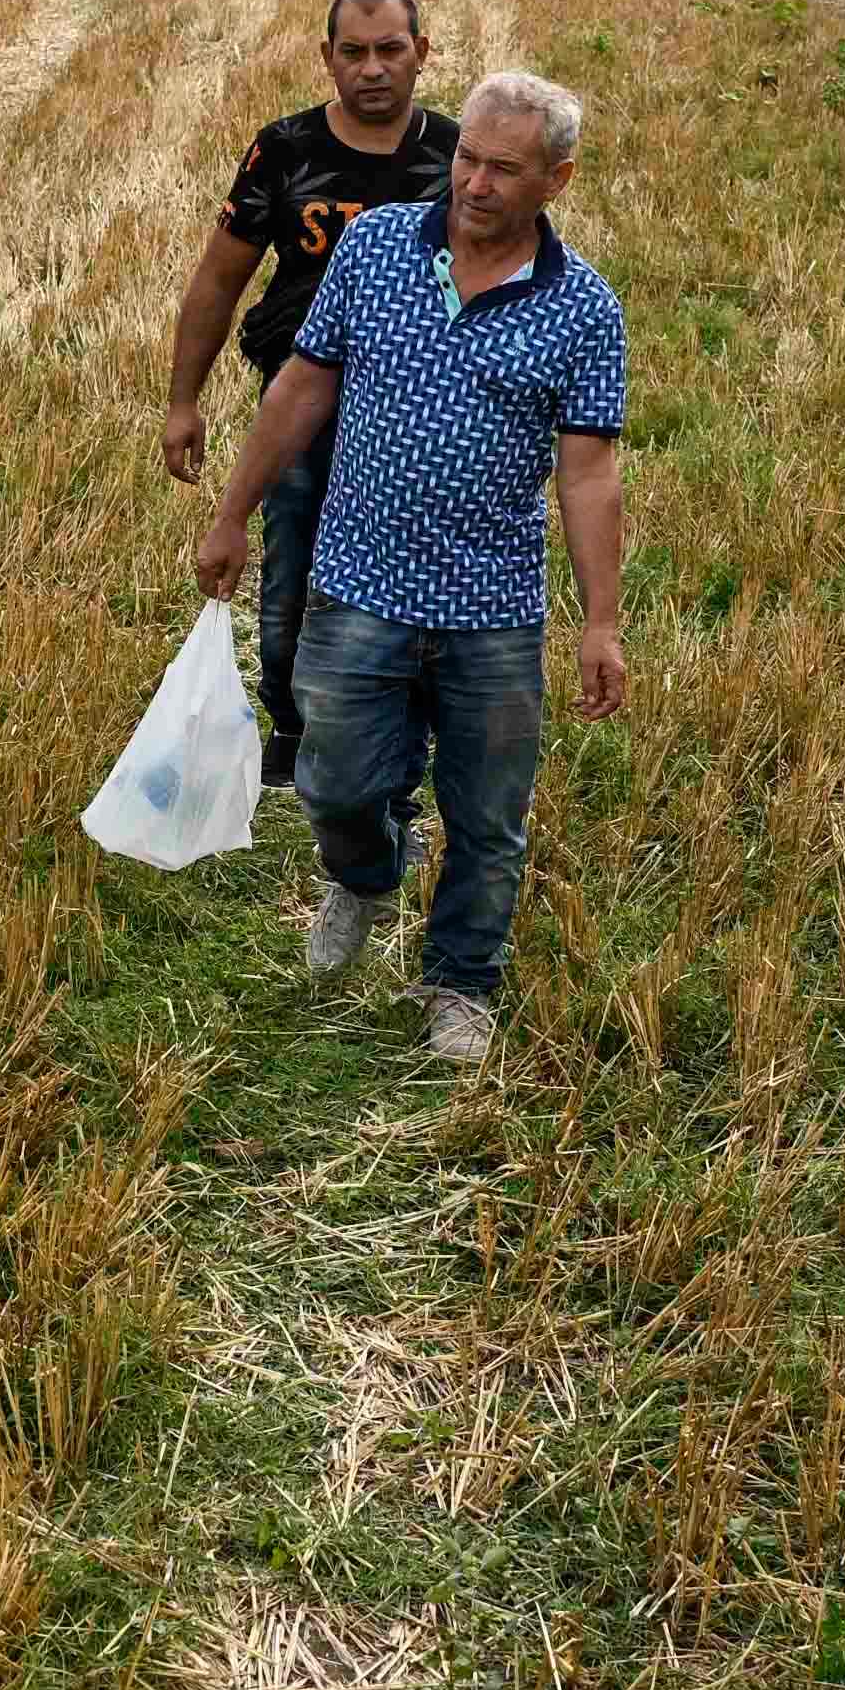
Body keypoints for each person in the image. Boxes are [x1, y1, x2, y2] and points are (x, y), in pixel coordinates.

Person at [189, 67, 628, 1066]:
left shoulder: (584, 309)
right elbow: (301, 389)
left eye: (502, 170)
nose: (472, 183)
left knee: (487, 817)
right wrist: (232, 516)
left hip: (494, 609)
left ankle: (459, 986)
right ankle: (367, 873)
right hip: (357, 585)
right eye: (467, 157)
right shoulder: (377, 249)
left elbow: (590, 475)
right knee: (335, 780)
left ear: (555, 181)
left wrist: (601, 621)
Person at [163, 0, 450, 788]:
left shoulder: (458, 160)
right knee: (292, 567)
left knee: (410, 580)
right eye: (353, 52)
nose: (372, 70)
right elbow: (218, 280)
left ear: (421, 54)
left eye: (391, 50)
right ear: (326, 58)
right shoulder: (283, 151)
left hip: (415, 415)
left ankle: (399, 741)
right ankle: (292, 729)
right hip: (299, 402)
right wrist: (184, 400)